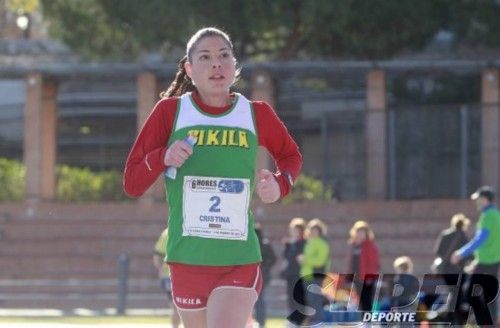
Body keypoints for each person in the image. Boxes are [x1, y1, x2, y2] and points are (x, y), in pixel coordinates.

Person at [123, 27, 302, 328]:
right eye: (205, 57)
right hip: (187, 257)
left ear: (235, 66)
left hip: (238, 256)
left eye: (224, 56)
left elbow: (290, 156)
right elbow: (132, 182)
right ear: (190, 69)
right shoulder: (170, 112)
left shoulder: (256, 114)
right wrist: (162, 157)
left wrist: (280, 183)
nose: (216, 64)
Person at [451, 186, 500, 325]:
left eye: (478, 199)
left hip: (486, 261)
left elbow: (480, 239)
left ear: (485, 199)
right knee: (488, 293)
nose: (476, 202)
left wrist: (461, 253)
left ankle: (481, 320)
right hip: (492, 260)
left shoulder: (488, 216)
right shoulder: (496, 214)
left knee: (470, 291)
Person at [298, 218, 330, 326]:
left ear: (320, 231)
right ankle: (313, 320)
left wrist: (305, 259)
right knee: (309, 299)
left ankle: (318, 320)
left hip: (316, 275)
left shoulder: (322, 244)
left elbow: (320, 261)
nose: (313, 232)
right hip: (306, 275)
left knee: (315, 299)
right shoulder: (309, 243)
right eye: (312, 230)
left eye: (316, 230)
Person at [346, 220, 380, 312]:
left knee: (367, 301)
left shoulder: (370, 246)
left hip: (367, 278)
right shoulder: (353, 245)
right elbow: (351, 262)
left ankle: (368, 322)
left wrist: (370, 277)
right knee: (360, 301)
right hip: (357, 277)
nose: (360, 234)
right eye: (358, 232)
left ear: (366, 233)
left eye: (362, 232)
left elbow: (374, 263)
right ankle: (364, 322)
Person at [281, 217, 307, 326]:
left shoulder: (304, 242)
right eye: (292, 229)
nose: (293, 232)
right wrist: (287, 244)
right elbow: (285, 256)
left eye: (296, 229)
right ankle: (292, 319)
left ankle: (298, 319)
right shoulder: (289, 243)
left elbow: (301, 257)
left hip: (299, 273)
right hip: (289, 273)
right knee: (290, 297)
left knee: (298, 297)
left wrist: (294, 243)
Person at [153, 228, 180, 328]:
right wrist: (161, 271)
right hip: (170, 276)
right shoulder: (167, 233)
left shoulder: (167, 232)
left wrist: (160, 271)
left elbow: (156, 255)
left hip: (171, 276)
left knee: (176, 306)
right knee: (176, 306)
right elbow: (157, 255)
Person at [254, 222, 277, 328]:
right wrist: (267, 267)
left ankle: (259, 321)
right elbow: (273, 259)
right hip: (264, 275)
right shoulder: (265, 244)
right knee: (260, 298)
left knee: (258, 299)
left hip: (259, 274)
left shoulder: (256, 244)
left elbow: (273, 259)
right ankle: (260, 321)